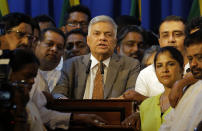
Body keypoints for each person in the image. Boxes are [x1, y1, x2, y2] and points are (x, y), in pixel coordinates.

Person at [32, 27, 107, 130]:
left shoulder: (65, 76)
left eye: (59, 47)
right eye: (50, 44)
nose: (54, 49)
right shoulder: (26, 73)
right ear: (36, 43)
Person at [52, 15, 140, 99]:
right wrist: (62, 100)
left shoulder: (130, 65)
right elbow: (58, 93)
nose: (102, 38)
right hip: (78, 113)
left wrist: (120, 100)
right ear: (88, 40)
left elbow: (132, 92)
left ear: (115, 42)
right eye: (97, 34)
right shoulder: (71, 65)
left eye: (108, 34)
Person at [122, 46, 184, 131]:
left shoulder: (189, 99)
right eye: (159, 66)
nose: (164, 70)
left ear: (182, 69)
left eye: (170, 64)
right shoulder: (145, 105)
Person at [160, 29, 202, 131]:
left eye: (200, 58)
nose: (193, 64)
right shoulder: (188, 88)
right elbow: (168, 124)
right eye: (190, 59)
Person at [9, 49, 45, 131]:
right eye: (28, 75)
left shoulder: (29, 102)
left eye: (34, 77)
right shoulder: (6, 106)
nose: (32, 81)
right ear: (10, 73)